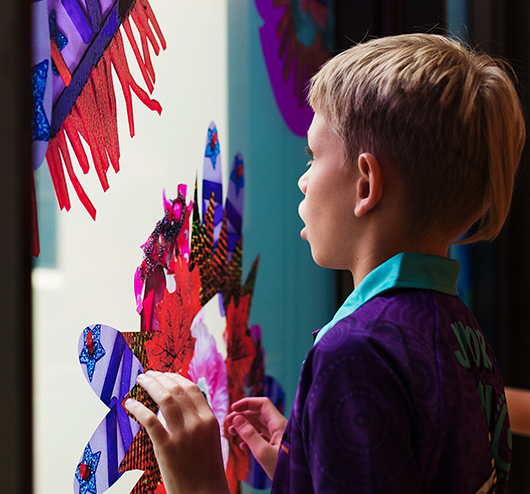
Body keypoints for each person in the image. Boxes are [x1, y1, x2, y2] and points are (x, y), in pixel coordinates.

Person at [125, 34, 524, 493]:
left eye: (313, 155)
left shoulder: (357, 353)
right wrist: (308, 468)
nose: (302, 179)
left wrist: (201, 485)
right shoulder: (463, 333)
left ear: (366, 185)